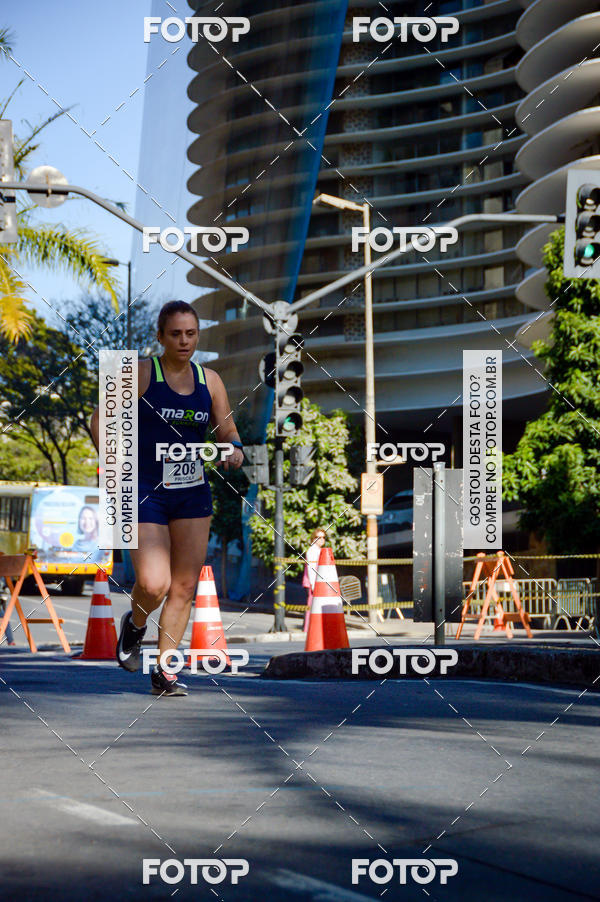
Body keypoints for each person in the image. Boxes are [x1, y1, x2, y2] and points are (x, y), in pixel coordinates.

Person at [90, 300, 243, 696]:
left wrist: (234, 448)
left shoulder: (210, 380)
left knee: (184, 587)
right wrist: (112, 464)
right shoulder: (139, 372)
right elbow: (98, 419)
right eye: (175, 333)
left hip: (190, 491)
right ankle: (136, 625)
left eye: (190, 333)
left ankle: (165, 671)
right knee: (154, 583)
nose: (184, 340)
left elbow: (227, 430)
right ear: (159, 336)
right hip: (140, 490)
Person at [302, 528, 326, 632]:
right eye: (319, 537)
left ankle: (314, 628)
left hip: (319, 582)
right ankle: (308, 629)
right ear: (313, 538)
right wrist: (313, 584)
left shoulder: (319, 550)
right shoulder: (312, 551)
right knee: (311, 605)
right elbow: (311, 569)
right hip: (313, 582)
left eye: (323, 537)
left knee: (316, 606)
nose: (322, 540)